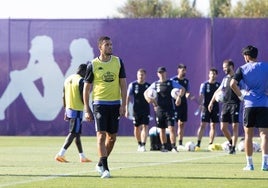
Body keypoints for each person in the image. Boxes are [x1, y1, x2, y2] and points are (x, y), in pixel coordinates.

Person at [83, 36, 127, 178]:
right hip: (99, 104)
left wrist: (124, 105)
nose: (110, 47)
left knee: (112, 137)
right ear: (100, 47)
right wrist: (87, 108)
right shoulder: (93, 64)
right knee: (101, 135)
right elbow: (86, 89)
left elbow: (123, 85)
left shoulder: (118, 62)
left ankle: (100, 163)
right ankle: (106, 168)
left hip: (115, 104)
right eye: (107, 45)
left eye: (111, 44)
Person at [230, 45, 268, 171]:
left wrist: (241, 96)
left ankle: (250, 164)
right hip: (264, 104)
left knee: (248, 136)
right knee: (264, 135)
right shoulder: (266, 66)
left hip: (249, 104)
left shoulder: (242, 68)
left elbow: (232, 84)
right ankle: (265, 163)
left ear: (246, 56)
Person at [55, 64, 92, 163]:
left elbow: (63, 96)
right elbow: (82, 96)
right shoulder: (81, 80)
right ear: (83, 71)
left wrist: (65, 110)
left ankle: (82, 156)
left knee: (77, 133)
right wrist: (87, 109)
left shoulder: (68, 79)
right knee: (73, 133)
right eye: (86, 73)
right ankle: (60, 154)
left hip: (70, 109)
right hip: (77, 109)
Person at [144, 66, 185, 152]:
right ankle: (164, 146)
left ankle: (173, 146)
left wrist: (179, 97)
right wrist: (148, 99)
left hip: (170, 109)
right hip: (159, 109)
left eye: (163, 72)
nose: (161, 74)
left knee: (171, 128)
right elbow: (146, 92)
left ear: (165, 73)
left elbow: (182, 89)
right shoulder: (155, 84)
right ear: (157, 74)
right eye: (160, 73)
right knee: (161, 129)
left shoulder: (171, 82)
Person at [208, 59, 242, 154]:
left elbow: (243, 89)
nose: (223, 69)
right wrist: (211, 102)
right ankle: (231, 142)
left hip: (235, 104)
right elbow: (218, 91)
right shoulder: (225, 79)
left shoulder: (238, 78)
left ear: (231, 67)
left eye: (225, 67)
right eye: (223, 68)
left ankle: (233, 148)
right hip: (225, 105)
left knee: (235, 126)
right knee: (223, 127)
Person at [125, 68, 151, 152]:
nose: (141, 76)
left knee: (145, 126)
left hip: (146, 109)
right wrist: (126, 109)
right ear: (137, 75)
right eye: (139, 74)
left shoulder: (148, 86)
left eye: (142, 75)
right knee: (136, 127)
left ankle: (143, 144)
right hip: (136, 109)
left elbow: (152, 96)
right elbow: (128, 97)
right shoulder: (133, 85)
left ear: (145, 76)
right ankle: (139, 143)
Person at [170, 64, 195, 147]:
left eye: (184, 70)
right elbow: (169, 92)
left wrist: (189, 96)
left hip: (183, 104)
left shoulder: (186, 81)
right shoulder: (173, 80)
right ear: (178, 70)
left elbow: (187, 92)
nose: (183, 71)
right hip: (174, 105)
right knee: (172, 124)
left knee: (181, 124)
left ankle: (180, 143)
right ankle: (170, 142)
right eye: (182, 70)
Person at [195, 68, 220, 150]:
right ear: (209, 75)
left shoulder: (218, 85)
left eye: (214, 74)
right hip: (205, 107)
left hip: (215, 107)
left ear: (216, 75)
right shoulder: (204, 85)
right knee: (203, 125)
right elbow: (201, 95)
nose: (212, 75)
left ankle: (210, 143)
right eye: (211, 73)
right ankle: (198, 143)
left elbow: (221, 95)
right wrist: (201, 105)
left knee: (213, 125)